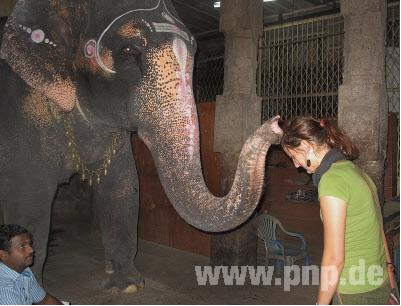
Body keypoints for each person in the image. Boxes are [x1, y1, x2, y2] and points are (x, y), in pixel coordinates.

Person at [279, 116, 390, 305]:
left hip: (353, 290)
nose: (296, 165)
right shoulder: (356, 172)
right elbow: (379, 232)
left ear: (306, 146)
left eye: (293, 156)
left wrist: (321, 304)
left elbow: (334, 258)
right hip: (379, 284)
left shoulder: (331, 181)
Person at [0, 224, 63, 305]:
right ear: (3, 255)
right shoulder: (4, 290)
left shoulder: (24, 271)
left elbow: (45, 300)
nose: (31, 250)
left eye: (29, 244)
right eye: (22, 246)